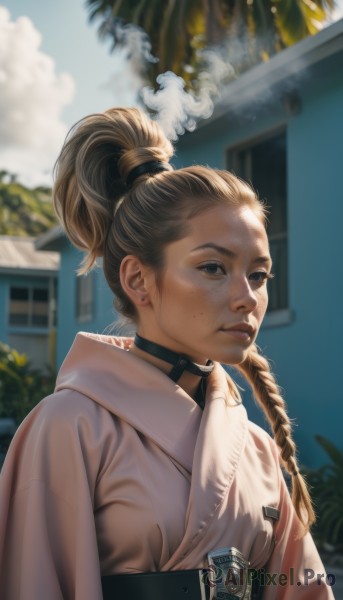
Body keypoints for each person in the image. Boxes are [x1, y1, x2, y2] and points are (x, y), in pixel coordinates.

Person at [0, 107, 335, 600]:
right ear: (139, 279)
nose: (248, 297)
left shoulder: (258, 448)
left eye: (259, 275)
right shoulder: (68, 427)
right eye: (214, 268)